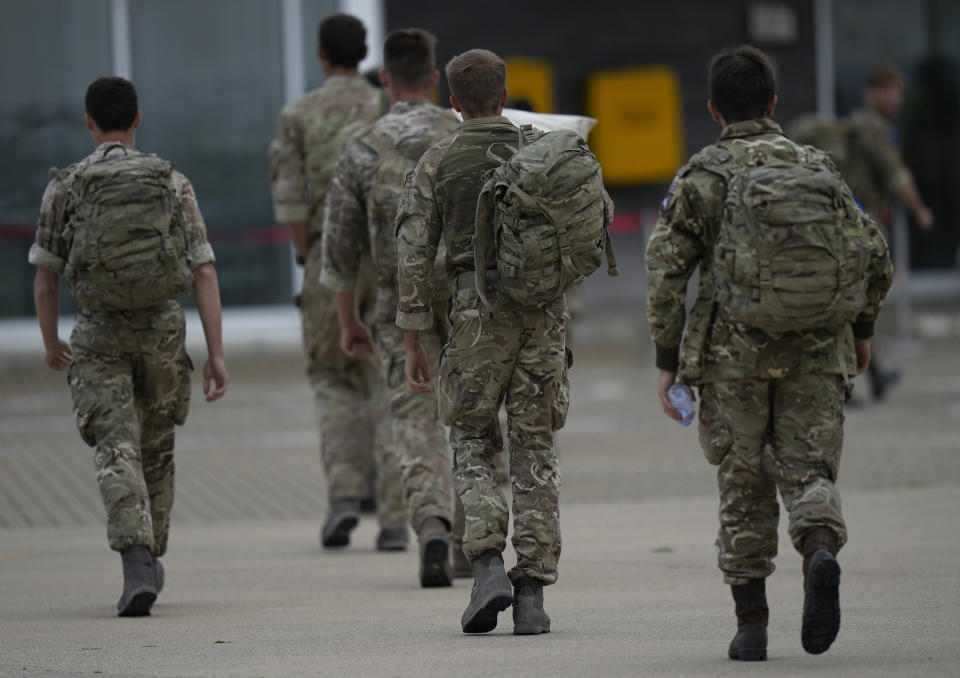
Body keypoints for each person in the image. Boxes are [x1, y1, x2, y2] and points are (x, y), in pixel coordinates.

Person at [646, 46, 893, 660]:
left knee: (743, 480)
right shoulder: (819, 167)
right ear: (775, 104)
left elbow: (665, 271)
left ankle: (751, 626)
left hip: (734, 359)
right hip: (817, 349)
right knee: (808, 469)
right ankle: (819, 551)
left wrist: (666, 358)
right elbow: (876, 255)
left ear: (712, 110)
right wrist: (861, 332)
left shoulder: (702, 175)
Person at [29, 76, 230, 616]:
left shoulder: (67, 185)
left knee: (115, 447)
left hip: (96, 332)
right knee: (156, 446)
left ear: (88, 122)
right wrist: (215, 352)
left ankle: (137, 559)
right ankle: (151, 552)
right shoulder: (172, 181)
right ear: (138, 119)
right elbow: (203, 271)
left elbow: (45, 278)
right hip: (163, 329)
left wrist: (50, 342)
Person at [396, 49, 569, 635]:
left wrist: (414, 336)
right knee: (535, 445)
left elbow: (414, 253)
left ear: (453, 102)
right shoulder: (544, 148)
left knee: (471, 439)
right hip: (542, 315)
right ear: (504, 95)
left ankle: (488, 562)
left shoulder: (438, 159)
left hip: (474, 314)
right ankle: (534, 595)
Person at [320, 28, 468, 587]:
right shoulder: (466, 135)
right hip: (468, 300)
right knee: (472, 419)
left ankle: (429, 521)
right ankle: (469, 540)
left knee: (413, 418)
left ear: (384, 80)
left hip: (396, 307)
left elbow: (338, 251)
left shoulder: (361, 147)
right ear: (434, 80)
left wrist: (346, 321)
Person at [268, 13, 405, 550]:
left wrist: (309, 254)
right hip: (389, 255)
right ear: (364, 50)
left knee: (332, 376)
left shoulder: (297, 115)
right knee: (388, 379)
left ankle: (346, 495)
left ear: (322, 56)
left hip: (331, 253)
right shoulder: (386, 108)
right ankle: (397, 518)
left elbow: (291, 198)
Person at [843, 62, 934, 400]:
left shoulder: (858, 125)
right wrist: (920, 211)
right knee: (862, 303)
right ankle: (853, 380)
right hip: (862, 228)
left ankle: (875, 373)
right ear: (874, 93)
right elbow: (897, 176)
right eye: (892, 92)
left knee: (859, 302)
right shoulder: (872, 128)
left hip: (853, 225)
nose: (897, 100)